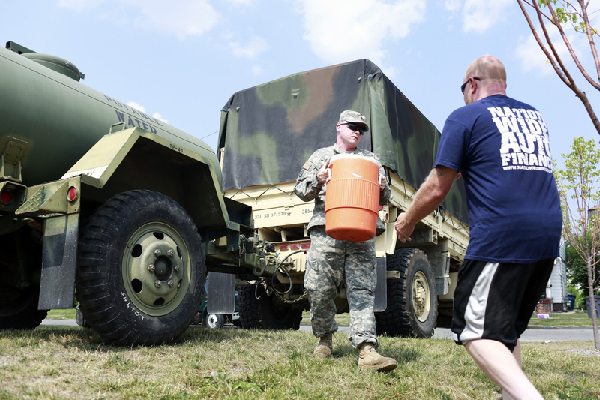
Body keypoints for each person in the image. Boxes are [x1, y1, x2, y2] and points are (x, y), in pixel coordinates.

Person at [395, 55, 561, 399]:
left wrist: (407, 220)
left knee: (474, 332)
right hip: (547, 232)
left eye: (463, 89)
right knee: (504, 331)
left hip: (503, 234)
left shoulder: (465, 116)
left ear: (472, 84)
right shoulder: (534, 117)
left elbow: (439, 186)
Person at [294, 110, 397, 372]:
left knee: (362, 291)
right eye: (352, 126)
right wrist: (317, 180)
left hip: (361, 233)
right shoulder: (321, 157)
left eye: (361, 128)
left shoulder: (371, 160)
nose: (357, 131)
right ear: (339, 127)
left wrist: (383, 186)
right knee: (318, 289)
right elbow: (300, 190)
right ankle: (324, 339)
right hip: (327, 230)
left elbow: (386, 198)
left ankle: (367, 350)